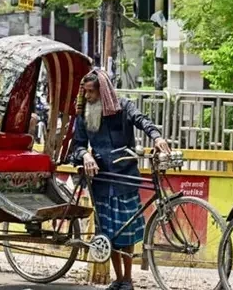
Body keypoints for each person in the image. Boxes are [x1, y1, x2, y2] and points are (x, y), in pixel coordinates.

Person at [71, 70, 171, 290]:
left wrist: (157, 136)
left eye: (91, 92)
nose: (87, 96)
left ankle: (128, 278)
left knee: (126, 234)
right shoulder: (83, 113)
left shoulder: (124, 107)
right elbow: (76, 146)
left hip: (125, 178)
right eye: (85, 92)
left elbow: (142, 120)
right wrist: (85, 155)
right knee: (109, 233)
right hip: (102, 181)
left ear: (103, 91)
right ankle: (119, 279)